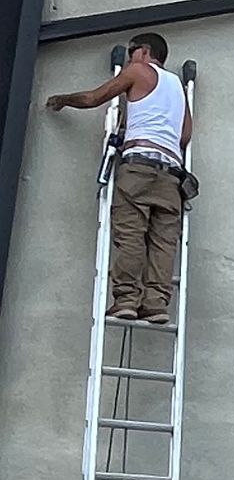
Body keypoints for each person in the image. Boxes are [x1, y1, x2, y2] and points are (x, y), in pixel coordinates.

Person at [46, 33, 193, 323]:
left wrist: (61, 100)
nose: (129, 58)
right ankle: (156, 304)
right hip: (171, 176)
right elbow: (185, 135)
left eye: (131, 52)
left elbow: (93, 98)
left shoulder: (138, 71)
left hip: (139, 166)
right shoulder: (177, 86)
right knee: (163, 243)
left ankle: (126, 298)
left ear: (145, 51)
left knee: (130, 234)